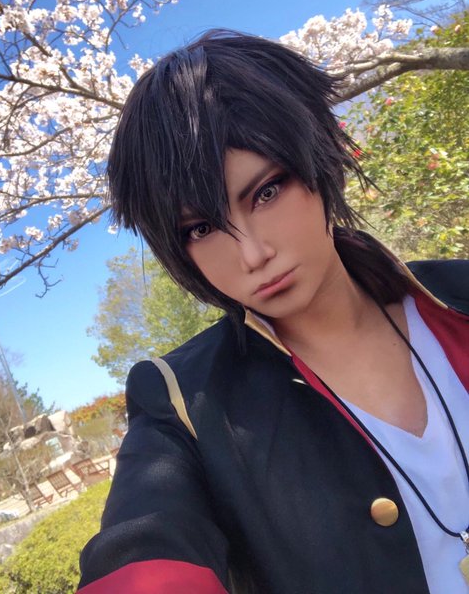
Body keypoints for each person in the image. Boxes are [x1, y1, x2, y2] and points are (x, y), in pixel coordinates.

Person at [77, 30, 469, 594]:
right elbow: (147, 545)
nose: (252, 255)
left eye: (265, 192)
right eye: (201, 228)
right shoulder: (183, 402)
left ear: (320, 158)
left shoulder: (457, 294)